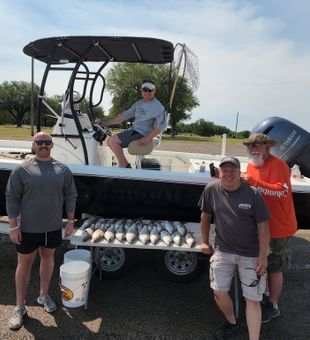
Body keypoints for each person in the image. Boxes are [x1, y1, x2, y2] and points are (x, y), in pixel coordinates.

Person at [5, 132, 77, 330]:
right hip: (28, 229)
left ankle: (43, 295)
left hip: (52, 228)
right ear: (33, 145)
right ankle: (20, 307)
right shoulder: (22, 169)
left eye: (47, 142)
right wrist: (13, 226)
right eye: (40, 142)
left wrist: (70, 221)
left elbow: (71, 195)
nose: (44, 145)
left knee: (48, 258)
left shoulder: (62, 170)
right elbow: (11, 197)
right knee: (25, 263)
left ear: (52, 145)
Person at [199, 157, 270, 340]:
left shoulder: (253, 194)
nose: (229, 174)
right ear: (219, 172)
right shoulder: (211, 190)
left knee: (252, 299)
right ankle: (232, 322)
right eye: (225, 170)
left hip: (250, 254)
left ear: (240, 172)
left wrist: (263, 256)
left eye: (233, 170)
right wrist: (205, 241)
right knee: (219, 293)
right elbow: (205, 216)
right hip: (223, 250)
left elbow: (263, 226)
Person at [242, 133, 297, 323]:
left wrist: (253, 182)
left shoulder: (279, 165)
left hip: (279, 226)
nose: (254, 149)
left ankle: (273, 305)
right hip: (260, 226)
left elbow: (281, 192)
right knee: (261, 264)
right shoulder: (251, 165)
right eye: (251, 146)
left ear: (268, 147)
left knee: (274, 267)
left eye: (258, 145)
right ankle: (264, 296)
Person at [100, 80, 166, 168]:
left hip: (142, 133)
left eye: (150, 90)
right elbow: (124, 115)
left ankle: (124, 165)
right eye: (145, 90)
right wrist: (108, 123)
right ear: (141, 91)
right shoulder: (139, 103)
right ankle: (125, 165)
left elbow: (161, 126)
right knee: (109, 142)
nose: (147, 92)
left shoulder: (158, 106)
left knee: (113, 141)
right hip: (134, 130)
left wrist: (147, 138)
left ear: (154, 90)